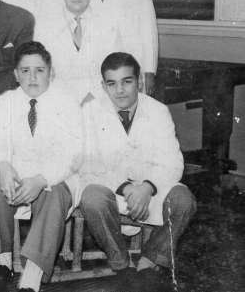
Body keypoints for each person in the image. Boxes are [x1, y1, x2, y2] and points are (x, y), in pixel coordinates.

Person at [79, 52, 196, 291]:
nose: (120, 91)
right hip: (114, 190)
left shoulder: (158, 110)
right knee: (91, 198)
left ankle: (148, 261)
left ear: (140, 81)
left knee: (184, 201)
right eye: (112, 84)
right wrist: (126, 188)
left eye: (127, 81)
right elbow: (88, 164)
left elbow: (173, 162)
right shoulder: (90, 112)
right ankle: (121, 265)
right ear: (103, 85)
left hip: (151, 191)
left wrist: (147, 188)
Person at [0, 41, 82, 292]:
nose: (32, 77)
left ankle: (31, 277)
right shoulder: (7, 101)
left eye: (39, 70)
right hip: (18, 174)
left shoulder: (66, 100)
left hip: (54, 176)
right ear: (16, 75)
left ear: (51, 72)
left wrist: (41, 179)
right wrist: (3, 165)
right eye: (25, 71)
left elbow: (73, 154)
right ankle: (3, 264)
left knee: (54, 193)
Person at [41, 0, 123, 104]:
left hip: (99, 101)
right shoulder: (44, 27)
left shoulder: (109, 26)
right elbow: (41, 73)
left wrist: (91, 100)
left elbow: (117, 72)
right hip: (57, 103)